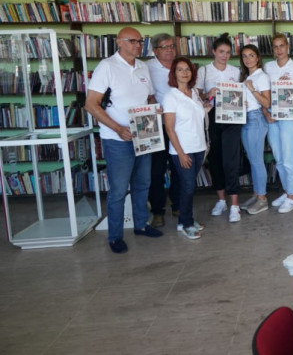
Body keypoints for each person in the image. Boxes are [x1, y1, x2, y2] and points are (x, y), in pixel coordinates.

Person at [84, 27, 163, 254]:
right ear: (119, 42)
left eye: (140, 41)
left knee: (143, 183)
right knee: (118, 190)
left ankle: (141, 225)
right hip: (117, 139)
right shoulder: (107, 66)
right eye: (132, 41)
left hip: (144, 134)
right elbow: (90, 104)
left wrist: (153, 109)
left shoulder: (143, 67)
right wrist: (118, 128)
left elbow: (149, 96)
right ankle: (115, 236)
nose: (138, 45)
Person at [162, 57, 209, 240]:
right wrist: (181, 153)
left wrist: (206, 108)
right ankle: (186, 224)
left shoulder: (194, 93)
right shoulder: (171, 97)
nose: (184, 73)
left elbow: (197, 115)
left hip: (199, 147)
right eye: (180, 69)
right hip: (183, 150)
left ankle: (185, 220)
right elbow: (169, 128)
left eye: (187, 69)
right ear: (174, 73)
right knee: (188, 187)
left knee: (189, 186)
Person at [198, 34, 243, 223]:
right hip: (212, 116)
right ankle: (222, 200)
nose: (224, 56)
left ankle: (235, 205)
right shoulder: (204, 71)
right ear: (214, 52)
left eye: (228, 52)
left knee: (231, 159)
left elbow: (241, 93)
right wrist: (208, 95)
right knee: (215, 158)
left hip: (232, 117)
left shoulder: (236, 71)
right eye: (221, 52)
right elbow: (197, 96)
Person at [265, 33, 293, 214]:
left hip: (290, 117)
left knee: (289, 159)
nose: (279, 50)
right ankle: (286, 191)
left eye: (282, 45)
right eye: (275, 46)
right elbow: (264, 93)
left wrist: (288, 85)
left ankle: (292, 197)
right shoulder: (268, 67)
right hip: (273, 117)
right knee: (279, 159)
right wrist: (266, 113)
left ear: (287, 47)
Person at [146, 33, 180, 228]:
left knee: (179, 166)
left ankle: (178, 205)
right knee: (156, 170)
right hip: (156, 124)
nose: (169, 50)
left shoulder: (181, 65)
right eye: (164, 47)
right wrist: (151, 105)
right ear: (155, 50)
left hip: (179, 125)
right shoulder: (146, 67)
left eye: (172, 46)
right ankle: (158, 211)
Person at [239, 45, 271, 215]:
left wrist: (251, 89)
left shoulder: (261, 76)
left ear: (257, 58)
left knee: (257, 161)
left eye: (251, 55)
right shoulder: (246, 77)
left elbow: (266, 102)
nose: (248, 59)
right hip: (246, 118)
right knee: (252, 160)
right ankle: (256, 194)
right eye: (244, 56)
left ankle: (262, 199)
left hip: (256, 119)